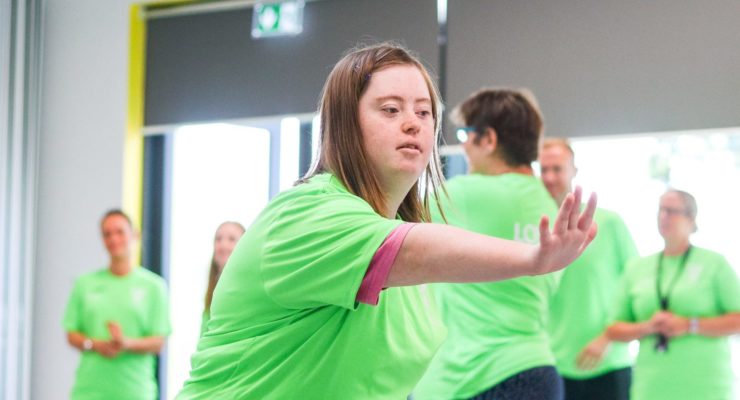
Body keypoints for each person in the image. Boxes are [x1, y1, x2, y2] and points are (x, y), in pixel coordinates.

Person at [177, 43, 597, 399]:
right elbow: (411, 247)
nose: (413, 122)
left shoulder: (414, 275)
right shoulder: (306, 214)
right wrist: (531, 259)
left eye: (424, 112)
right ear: (345, 123)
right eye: (391, 109)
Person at [414, 89, 568, 400]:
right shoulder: (549, 205)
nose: (464, 145)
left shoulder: (467, 193)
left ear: (489, 140)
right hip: (537, 371)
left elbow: (383, 227)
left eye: (466, 134)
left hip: (472, 377)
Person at [606, 190, 740, 400]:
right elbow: (613, 329)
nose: (663, 217)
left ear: (691, 218)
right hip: (651, 388)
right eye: (661, 210)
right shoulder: (637, 268)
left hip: (707, 388)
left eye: (671, 211)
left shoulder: (715, 264)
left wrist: (689, 325)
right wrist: (648, 326)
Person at [540, 138, 638, 400]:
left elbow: (636, 288)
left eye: (557, 169)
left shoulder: (609, 223)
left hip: (607, 364)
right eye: (544, 169)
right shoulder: (533, 226)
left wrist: (607, 338)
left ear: (574, 171)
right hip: (550, 365)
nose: (549, 177)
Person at [63, 209, 171, 400]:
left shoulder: (154, 286)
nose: (113, 239)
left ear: (134, 235)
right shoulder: (84, 284)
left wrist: (126, 343)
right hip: (89, 392)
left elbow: (158, 342)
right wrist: (94, 344)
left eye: (119, 232)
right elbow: (71, 334)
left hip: (135, 392)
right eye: (107, 234)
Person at [200, 221, 245, 336]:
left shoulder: (249, 288)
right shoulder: (213, 288)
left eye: (231, 239)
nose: (223, 245)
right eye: (218, 239)